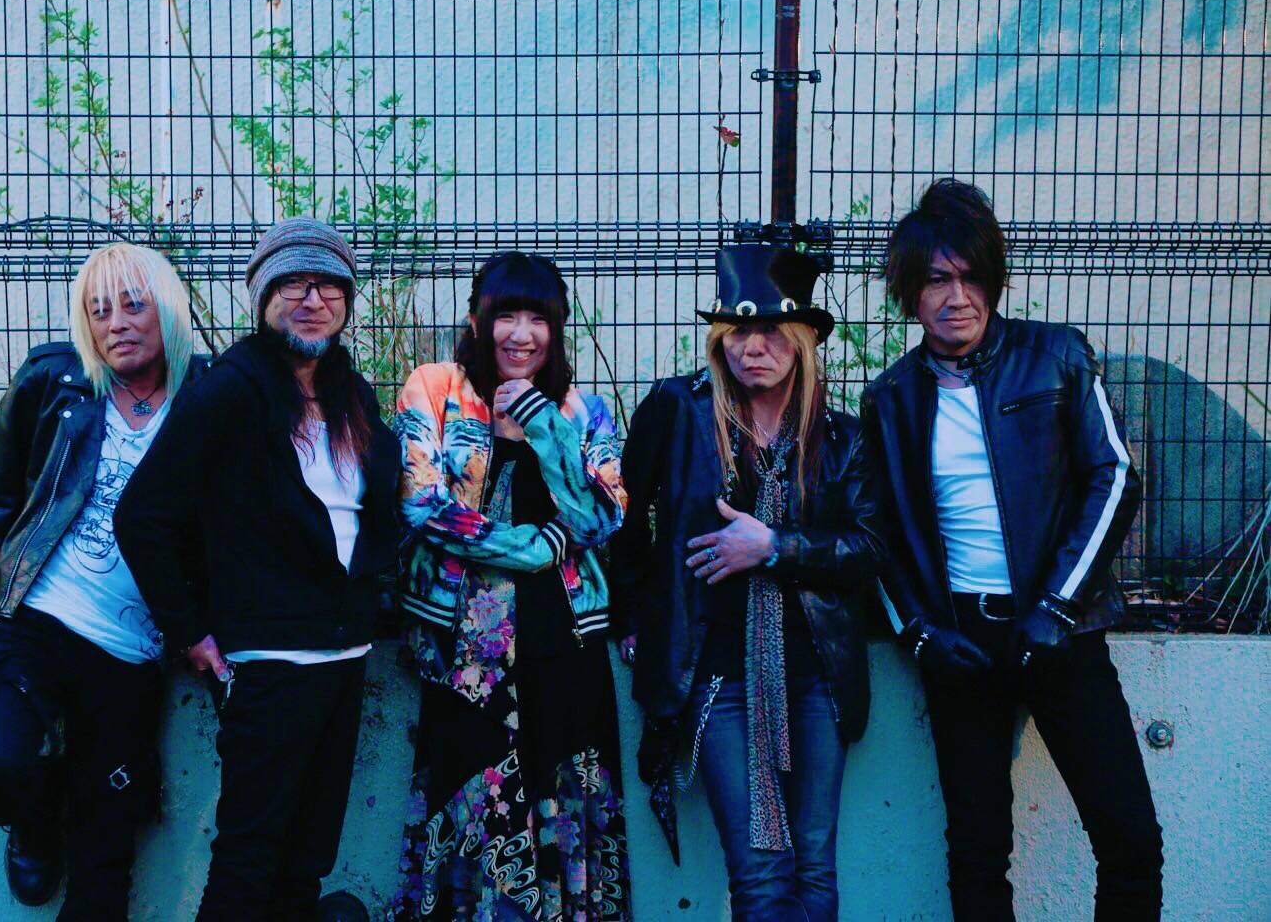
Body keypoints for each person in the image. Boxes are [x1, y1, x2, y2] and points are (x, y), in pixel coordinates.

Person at [859, 179, 1163, 920]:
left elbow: (1114, 477)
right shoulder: (891, 398)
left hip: (1062, 633)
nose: (956, 297)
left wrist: (1057, 608)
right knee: (977, 850)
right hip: (960, 644)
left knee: (1130, 838)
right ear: (911, 292)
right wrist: (920, 634)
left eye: (970, 277)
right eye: (936, 280)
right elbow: (876, 529)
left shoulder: (1054, 355)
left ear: (993, 280)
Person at [113, 217, 401, 920]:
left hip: (344, 656)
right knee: (250, 856)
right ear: (264, 297)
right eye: (293, 284)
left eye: (329, 285)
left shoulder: (351, 396)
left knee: (308, 857)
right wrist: (190, 630)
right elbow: (143, 516)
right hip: (268, 663)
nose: (313, 299)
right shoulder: (230, 390)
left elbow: (369, 512)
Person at [611, 243, 880, 922]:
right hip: (718, 673)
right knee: (759, 875)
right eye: (737, 330)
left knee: (814, 866)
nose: (752, 347)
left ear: (803, 340)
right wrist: (633, 619)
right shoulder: (679, 411)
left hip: (816, 676)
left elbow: (870, 549)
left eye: (771, 331)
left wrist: (772, 547)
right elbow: (624, 517)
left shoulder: (840, 438)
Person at [0, 242, 206, 918]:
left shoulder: (209, 396)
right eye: (99, 310)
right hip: (38, 619)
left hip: (132, 651)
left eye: (133, 305)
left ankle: (81, 809)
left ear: (168, 310)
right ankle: (37, 817)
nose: (115, 323)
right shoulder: (55, 381)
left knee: (105, 861)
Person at [388, 251, 632, 920]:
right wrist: (532, 548)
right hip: (466, 653)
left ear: (557, 329)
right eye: (506, 316)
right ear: (476, 321)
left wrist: (543, 423)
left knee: (565, 803)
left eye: (538, 319)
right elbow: (421, 502)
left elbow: (602, 516)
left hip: (565, 643)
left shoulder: (582, 411)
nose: (522, 335)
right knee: (473, 800)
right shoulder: (435, 388)